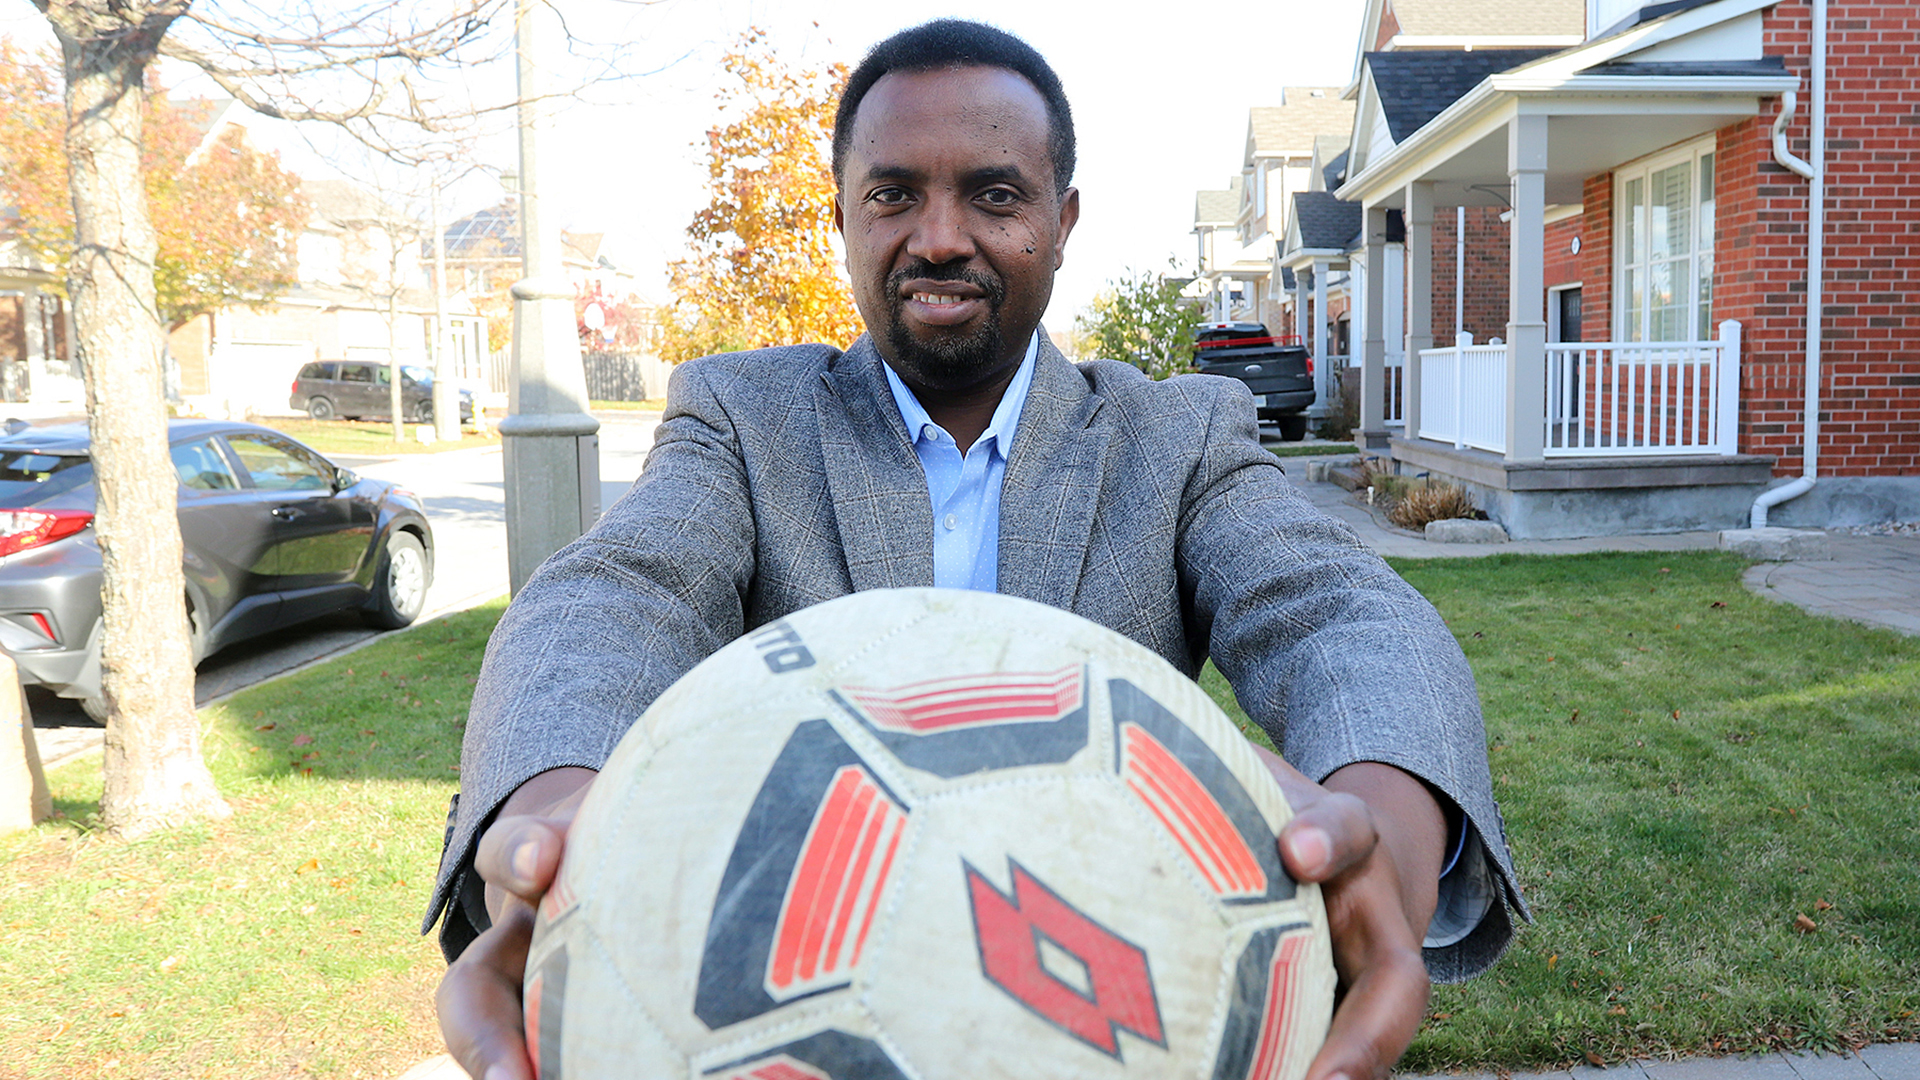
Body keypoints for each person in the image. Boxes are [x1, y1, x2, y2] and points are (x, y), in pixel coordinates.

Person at [430, 19, 1525, 1080]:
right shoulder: (742, 419)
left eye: (994, 194)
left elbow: (1340, 611)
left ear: (1063, 219)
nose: (940, 234)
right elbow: (615, 595)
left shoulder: (1176, 437)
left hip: (1114, 1016)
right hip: (797, 1009)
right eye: (894, 193)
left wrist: (1380, 832)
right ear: (845, 218)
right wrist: (552, 821)